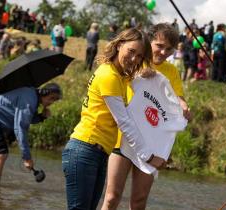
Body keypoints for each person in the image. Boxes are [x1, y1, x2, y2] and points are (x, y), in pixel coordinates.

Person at [62, 28, 154, 210]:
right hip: (84, 149)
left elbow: (133, 84)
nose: (135, 59)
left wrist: (145, 74)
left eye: (140, 56)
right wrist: (148, 155)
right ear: (119, 45)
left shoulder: (118, 76)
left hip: (99, 152)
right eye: (131, 51)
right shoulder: (109, 75)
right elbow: (124, 121)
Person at [102, 23, 191, 210]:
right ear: (149, 41)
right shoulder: (134, 59)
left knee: (139, 201)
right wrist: (139, 73)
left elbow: (177, 98)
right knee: (111, 197)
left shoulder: (172, 70)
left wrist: (184, 107)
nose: (163, 52)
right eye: (159, 45)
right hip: (123, 139)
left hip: (152, 143)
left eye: (169, 49)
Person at [0, 83, 62, 187]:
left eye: (55, 100)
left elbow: (28, 118)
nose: (51, 102)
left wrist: (41, 117)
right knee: (1, 153)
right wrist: (27, 157)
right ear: (44, 93)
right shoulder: (30, 100)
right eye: (51, 98)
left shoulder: (33, 98)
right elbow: (20, 127)